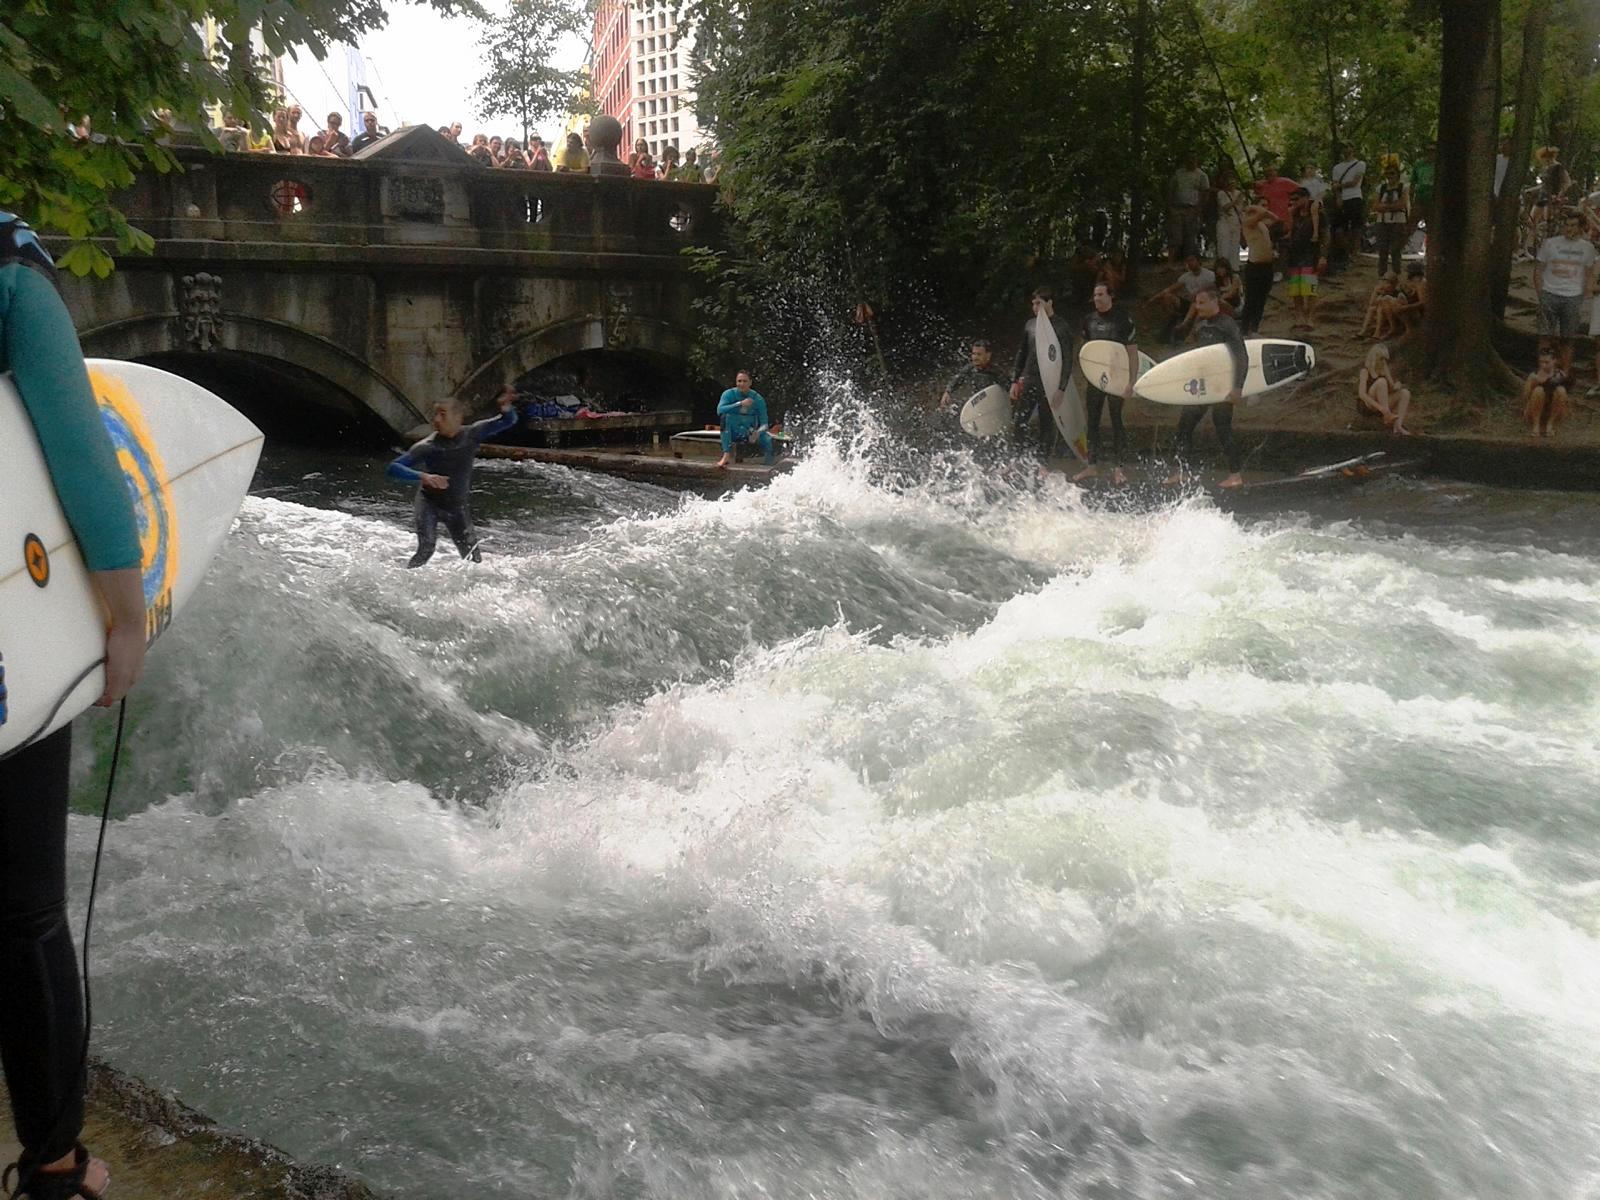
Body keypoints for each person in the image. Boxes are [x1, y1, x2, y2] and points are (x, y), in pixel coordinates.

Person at [0, 212, 146, 1200]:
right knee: (23, 915)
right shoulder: (9, 271)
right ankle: (55, 1164)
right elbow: (78, 450)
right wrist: (123, 616)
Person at [387, 388, 520, 567]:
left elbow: (508, 421)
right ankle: (403, 581)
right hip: (429, 503)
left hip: (456, 507)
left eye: (443, 414)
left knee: (474, 558)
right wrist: (423, 476)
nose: (436, 420)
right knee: (426, 549)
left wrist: (506, 408)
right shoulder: (427, 446)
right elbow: (393, 468)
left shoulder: (473, 434)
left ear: (458, 417)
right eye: (435, 415)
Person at [1169, 285, 1247, 489]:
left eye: (1202, 302)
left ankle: (1235, 474)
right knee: (1184, 426)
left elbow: (1242, 356)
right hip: (1203, 386)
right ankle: (1182, 472)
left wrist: (1237, 387)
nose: (1197, 306)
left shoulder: (1227, 325)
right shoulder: (1201, 325)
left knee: (1222, 427)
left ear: (1215, 302)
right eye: (1196, 302)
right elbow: (1199, 358)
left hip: (1223, 386)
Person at [1076, 282, 1138, 484]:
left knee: (1116, 420)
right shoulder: (1089, 320)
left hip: (1117, 379)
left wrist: (1131, 382)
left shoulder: (1123, 319)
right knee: (1092, 421)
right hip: (1096, 379)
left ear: (1111, 296)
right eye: (1095, 295)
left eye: (1101, 294)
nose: (1097, 298)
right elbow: (1087, 353)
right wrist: (1088, 375)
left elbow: (1132, 353)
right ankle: (1091, 465)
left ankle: (1119, 467)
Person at [1009, 287, 1075, 463]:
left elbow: (1068, 360)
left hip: (1049, 382)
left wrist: (1061, 388)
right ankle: (1015, 460)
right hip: (1030, 379)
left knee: (1046, 422)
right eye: (1033, 303)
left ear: (1050, 303)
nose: (1035, 307)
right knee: (1019, 420)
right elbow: (1021, 353)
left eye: (1039, 303)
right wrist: (1015, 380)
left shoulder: (1061, 327)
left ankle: (1043, 463)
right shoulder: (1030, 325)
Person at [1535, 209, 1597, 377]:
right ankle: (1544, 370)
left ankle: (1564, 373)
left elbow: (1589, 273)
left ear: (1580, 227)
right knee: (1545, 335)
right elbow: (1539, 269)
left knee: (1568, 338)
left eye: (1573, 225)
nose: (1569, 229)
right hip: (1550, 293)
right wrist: (1541, 293)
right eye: (1567, 225)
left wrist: (1585, 295)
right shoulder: (1550, 244)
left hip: (1573, 297)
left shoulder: (1587, 248)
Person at [938, 339, 1008, 446]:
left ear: (988, 356)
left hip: (993, 409)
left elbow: (1009, 390)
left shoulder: (996, 372)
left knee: (994, 440)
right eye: (973, 354)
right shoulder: (971, 368)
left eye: (979, 354)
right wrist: (948, 391)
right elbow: (958, 378)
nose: (975, 357)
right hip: (977, 407)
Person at [1284, 186, 1328, 333]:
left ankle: (1310, 317)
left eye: (1297, 199)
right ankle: (1299, 317)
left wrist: (1323, 255)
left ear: (1305, 198)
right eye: (1292, 200)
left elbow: (1325, 236)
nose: (1294, 202)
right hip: (1295, 255)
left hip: (1311, 254)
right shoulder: (1294, 215)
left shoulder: (1318, 214)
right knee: (1296, 290)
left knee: (1309, 289)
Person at [715, 371, 774, 468]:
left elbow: (765, 423)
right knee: (725, 418)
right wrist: (740, 404)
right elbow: (720, 410)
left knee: (768, 439)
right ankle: (726, 454)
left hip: (749, 431)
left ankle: (770, 464)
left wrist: (757, 432)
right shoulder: (729, 394)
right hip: (733, 431)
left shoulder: (758, 399)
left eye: (745, 381)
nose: (741, 384)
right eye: (739, 381)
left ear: (750, 382)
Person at [1152, 254, 1216, 342]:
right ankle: (1173, 318)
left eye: (1192, 260)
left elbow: (1212, 289)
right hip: (1190, 302)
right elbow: (1170, 289)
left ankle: (1188, 329)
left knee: (1197, 302)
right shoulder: (1186, 277)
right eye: (1188, 261)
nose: (1190, 263)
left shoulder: (1209, 275)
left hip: (1203, 303)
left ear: (1198, 261)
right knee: (1168, 296)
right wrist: (1153, 298)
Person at [1356, 344, 1414, 434]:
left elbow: (1391, 386)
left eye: (1384, 359)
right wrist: (1381, 408)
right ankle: (1387, 415)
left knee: (1405, 393)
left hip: (1383, 402)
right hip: (1369, 404)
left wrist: (1397, 385)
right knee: (1381, 381)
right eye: (1381, 359)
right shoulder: (1365, 371)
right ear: (1374, 358)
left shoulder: (1384, 367)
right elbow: (1362, 394)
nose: (1383, 362)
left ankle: (1398, 426)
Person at [1238, 200, 1277, 335]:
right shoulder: (1247, 223)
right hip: (1254, 266)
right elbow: (1264, 213)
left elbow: (1276, 219)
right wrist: (1255, 207)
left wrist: (1262, 210)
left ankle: (1254, 328)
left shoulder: (1263, 225)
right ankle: (1244, 329)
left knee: (1261, 299)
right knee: (1251, 300)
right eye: (1261, 205)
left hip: (1267, 265)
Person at [1329, 146, 1366, 271]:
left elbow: (1355, 182)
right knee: (1339, 229)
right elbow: (1334, 185)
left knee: (1356, 227)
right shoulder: (1337, 167)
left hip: (1355, 197)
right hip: (1342, 198)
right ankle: (1346, 252)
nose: (1346, 150)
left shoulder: (1360, 164)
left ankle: (1355, 252)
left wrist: (1340, 185)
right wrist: (1338, 197)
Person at [1372, 159, 1411, 277]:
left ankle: (1396, 275)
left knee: (1395, 250)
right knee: (1382, 250)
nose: (1390, 176)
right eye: (1387, 173)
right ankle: (1382, 275)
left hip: (1398, 222)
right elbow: (1375, 206)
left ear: (1397, 175)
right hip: (1382, 221)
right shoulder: (1381, 188)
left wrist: (1385, 207)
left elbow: (1402, 204)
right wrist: (1391, 207)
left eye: (1392, 173)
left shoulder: (1403, 187)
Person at [1167, 156, 1210, 261]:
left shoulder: (1202, 175)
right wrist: (1170, 206)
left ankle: (1188, 263)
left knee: (1190, 238)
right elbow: (1171, 190)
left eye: (1193, 159)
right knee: (1175, 237)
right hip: (1177, 208)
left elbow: (1205, 192)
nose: (1191, 161)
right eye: (1189, 159)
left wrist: (1199, 209)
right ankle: (1169, 263)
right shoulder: (1178, 173)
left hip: (1192, 209)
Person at [1521, 348, 1570, 437]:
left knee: (1561, 390)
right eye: (1541, 362)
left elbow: (1565, 398)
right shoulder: (1534, 375)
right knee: (1538, 391)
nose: (1543, 365)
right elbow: (1526, 397)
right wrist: (1534, 384)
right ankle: (1536, 425)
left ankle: (1550, 424)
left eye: (1547, 362)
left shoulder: (1560, 375)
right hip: (1535, 407)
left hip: (1554, 408)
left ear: (1554, 361)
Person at [1215, 166, 1245, 270]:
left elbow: (1241, 209)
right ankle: (1223, 268)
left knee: (1234, 246)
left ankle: (1234, 268)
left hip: (1236, 222)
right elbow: (1225, 207)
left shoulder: (1238, 193)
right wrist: (1236, 201)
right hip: (1224, 222)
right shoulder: (1222, 193)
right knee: (1224, 246)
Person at [1359, 272, 1400, 338]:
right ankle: (1364, 330)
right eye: (1386, 282)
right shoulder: (1380, 289)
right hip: (1381, 312)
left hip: (1391, 315)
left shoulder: (1397, 293)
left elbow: (1396, 306)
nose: (1388, 285)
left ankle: (1378, 331)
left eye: (1390, 283)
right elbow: (1372, 303)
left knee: (1380, 308)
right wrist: (1377, 294)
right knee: (1372, 309)